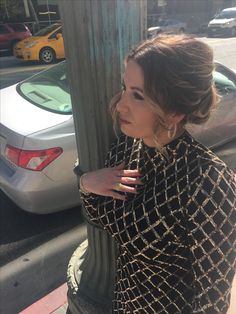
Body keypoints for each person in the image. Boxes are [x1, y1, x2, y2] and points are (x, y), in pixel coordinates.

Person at [76, 34, 236, 313]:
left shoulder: (209, 183)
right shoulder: (124, 148)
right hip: (124, 302)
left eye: (138, 95)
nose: (120, 104)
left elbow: (213, 297)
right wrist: (87, 183)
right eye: (125, 88)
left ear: (174, 112)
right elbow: (102, 218)